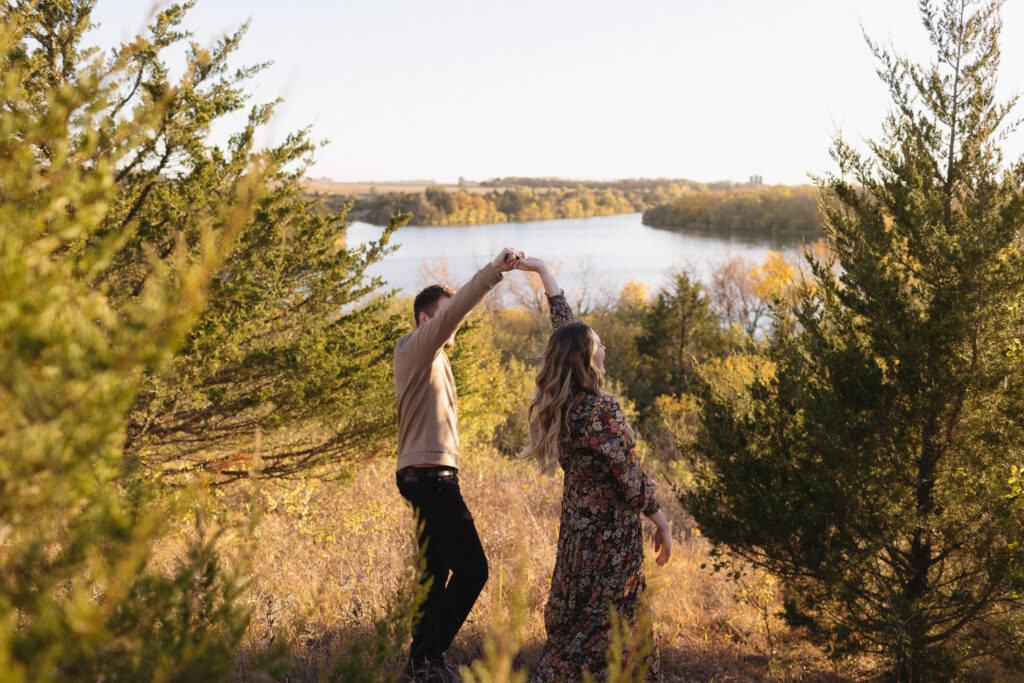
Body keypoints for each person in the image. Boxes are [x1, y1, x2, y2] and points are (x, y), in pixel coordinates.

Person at [517, 257, 672, 682]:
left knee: (577, 622)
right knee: (608, 627)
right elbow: (630, 476)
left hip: (577, 536)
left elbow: (564, 335)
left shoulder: (565, 402)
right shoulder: (601, 410)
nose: (605, 348)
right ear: (587, 358)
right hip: (610, 543)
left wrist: (544, 273)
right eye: (599, 344)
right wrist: (662, 522)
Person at [394, 247, 524, 683]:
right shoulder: (416, 347)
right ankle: (427, 655)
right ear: (425, 320)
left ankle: (422, 665)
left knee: (434, 572)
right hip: (430, 478)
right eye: (446, 316)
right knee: (474, 569)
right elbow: (457, 311)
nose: (457, 324)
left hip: (425, 475)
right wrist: (492, 272)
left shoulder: (435, 359)